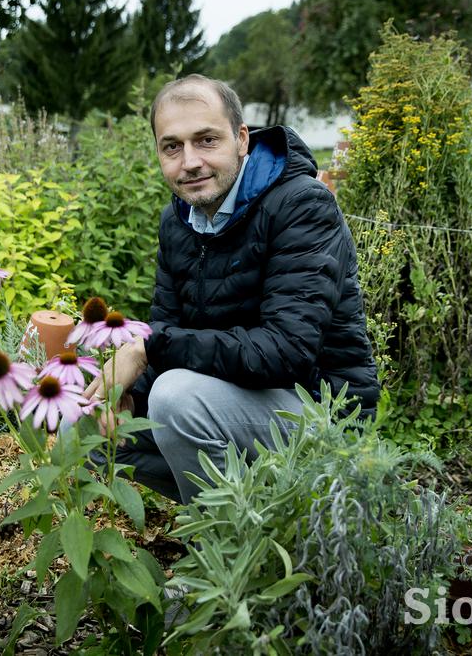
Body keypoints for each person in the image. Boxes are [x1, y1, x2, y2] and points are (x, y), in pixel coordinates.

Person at [82, 74, 379, 504]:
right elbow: (171, 326)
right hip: (232, 404)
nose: (189, 162)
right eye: (172, 146)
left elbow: (287, 352)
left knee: (175, 399)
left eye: (206, 140)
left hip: (320, 413)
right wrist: (129, 397)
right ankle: (252, 518)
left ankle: (227, 546)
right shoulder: (179, 221)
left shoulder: (301, 205)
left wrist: (147, 350)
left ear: (241, 139)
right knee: (91, 426)